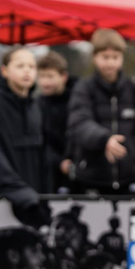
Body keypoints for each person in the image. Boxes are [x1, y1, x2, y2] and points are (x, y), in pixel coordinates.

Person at [68, 29, 135, 195]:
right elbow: (80, 122)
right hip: (92, 177)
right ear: (95, 57)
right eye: (105, 57)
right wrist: (104, 140)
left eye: (115, 57)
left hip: (130, 177)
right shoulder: (83, 89)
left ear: (122, 58)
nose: (110, 63)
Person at [0, 48, 50, 226]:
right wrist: (21, 193)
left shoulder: (36, 107)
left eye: (32, 66)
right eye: (20, 66)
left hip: (32, 201)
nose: (27, 71)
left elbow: (42, 155)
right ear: (4, 71)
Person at [37, 51, 78, 193]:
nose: (45, 82)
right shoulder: (38, 105)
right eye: (42, 77)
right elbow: (41, 140)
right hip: (50, 172)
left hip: (78, 170)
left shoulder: (78, 100)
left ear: (63, 76)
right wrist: (59, 162)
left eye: (50, 76)